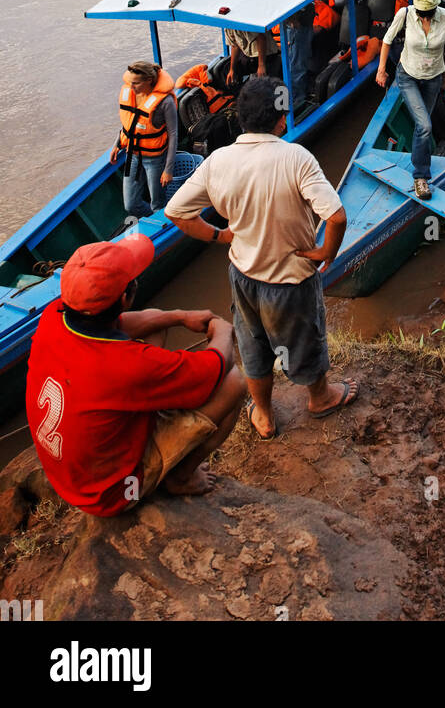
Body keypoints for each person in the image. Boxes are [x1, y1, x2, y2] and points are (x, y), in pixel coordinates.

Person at [165, 77, 357, 440]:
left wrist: (221, 236)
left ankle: (265, 417)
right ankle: (321, 398)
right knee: (305, 340)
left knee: (253, 344)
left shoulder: (217, 161)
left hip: (244, 276)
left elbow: (176, 212)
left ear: (240, 119)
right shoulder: (296, 157)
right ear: (281, 120)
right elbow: (336, 216)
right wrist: (325, 253)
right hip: (292, 279)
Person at [25, 234, 244, 514]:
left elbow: (128, 325)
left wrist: (178, 316)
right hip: (115, 493)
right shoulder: (126, 365)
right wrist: (222, 329)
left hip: (75, 478)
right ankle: (181, 477)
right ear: (126, 298)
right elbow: (215, 368)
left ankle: (156, 415)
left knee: (154, 322)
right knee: (234, 382)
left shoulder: (53, 318)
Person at [376, 0, 445, 200]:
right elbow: (386, 40)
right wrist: (381, 69)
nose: (424, 18)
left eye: (428, 14)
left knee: (422, 125)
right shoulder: (405, 14)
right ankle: (420, 176)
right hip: (408, 75)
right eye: (421, 14)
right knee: (425, 126)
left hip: (434, 77)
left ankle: (418, 159)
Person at [111, 61, 178, 221]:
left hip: (155, 160)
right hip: (131, 155)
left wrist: (168, 169)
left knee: (157, 203)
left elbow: (174, 134)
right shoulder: (130, 93)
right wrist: (117, 144)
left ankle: (163, 223)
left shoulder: (165, 102)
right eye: (131, 82)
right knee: (130, 205)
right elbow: (129, 123)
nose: (131, 86)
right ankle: (160, 220)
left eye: (136, 83)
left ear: (148, 80)